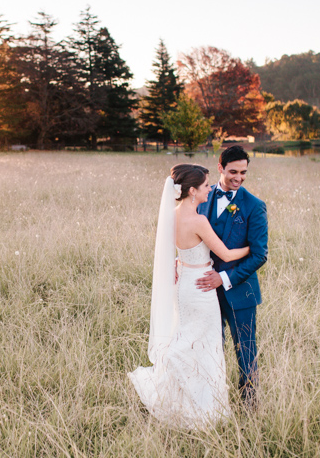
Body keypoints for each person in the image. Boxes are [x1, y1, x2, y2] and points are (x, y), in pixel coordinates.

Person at [129, 164, 250, 429]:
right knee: (202, 343)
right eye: (206, 185)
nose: (210, 189)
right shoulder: (198, 221)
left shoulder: (171, 214)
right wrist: (253, 248)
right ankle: (202, 406)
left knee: (187, 334)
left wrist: (177, 261)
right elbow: (228, 254)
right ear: (193, 191)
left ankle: (180, 391)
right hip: (200, 288)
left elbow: (173, 248)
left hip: (182, 283)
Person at [195, 145, 268, 411]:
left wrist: (224, 278)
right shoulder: (201, 196)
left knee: (245, 350)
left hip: (240, 292)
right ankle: (212, 401)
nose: (238, 177)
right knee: (209, 348)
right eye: (233, 171)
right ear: (220, 167)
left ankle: (249, 404)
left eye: (244, 172)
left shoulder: (254, 206)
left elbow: (260, 255)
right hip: (202, 290)